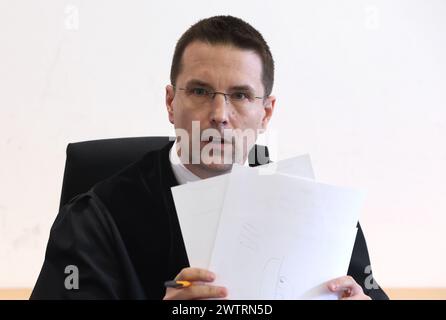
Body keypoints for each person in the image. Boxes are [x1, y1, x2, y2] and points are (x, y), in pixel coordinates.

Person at [31, 15, 388, 300]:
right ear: (171, 102)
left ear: (266, 113)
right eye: (201, 91)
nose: (219, 113)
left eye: (241, 95)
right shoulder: (96, 219)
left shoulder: (318, 212)